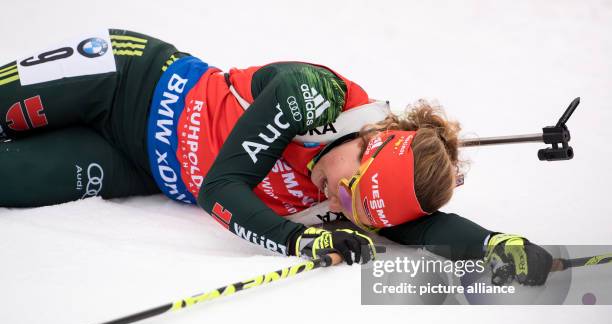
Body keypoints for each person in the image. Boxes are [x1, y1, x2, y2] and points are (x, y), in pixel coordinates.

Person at [0, 29, 552, 286]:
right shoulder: (312, 95)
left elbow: (425, 228)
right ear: (369, 141)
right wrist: (297, 238)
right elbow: (222, 188)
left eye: (358, 211)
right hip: (128, 80)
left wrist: (490, 244)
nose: (338, 203)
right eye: (349, 188)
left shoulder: (367, 185)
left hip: (138, 164)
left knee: (10, 179)